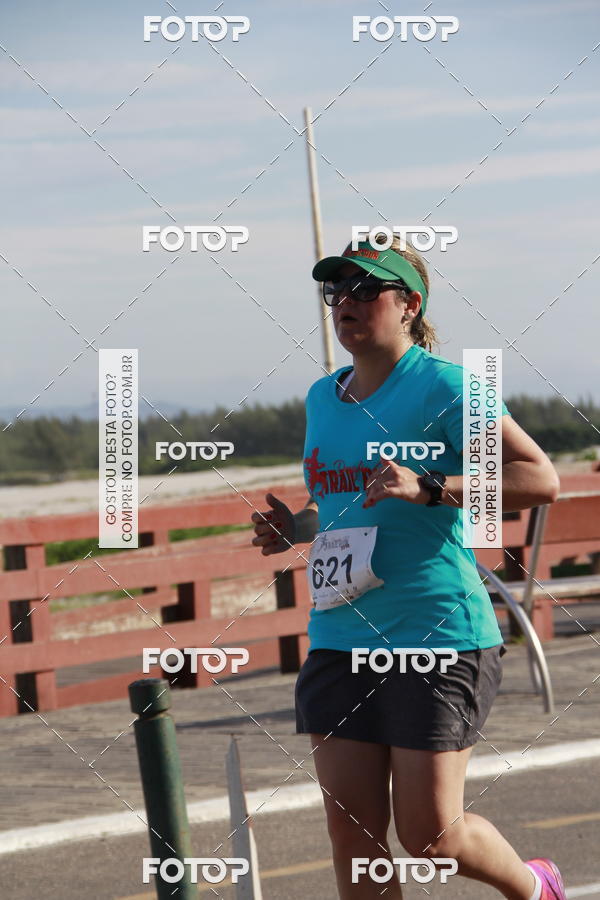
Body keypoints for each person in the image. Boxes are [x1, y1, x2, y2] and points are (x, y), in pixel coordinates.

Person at [250, 233, 564, 899]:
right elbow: (343, 504)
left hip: (435, 633)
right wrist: (296, 527)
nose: (347, 303)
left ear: (409, 304)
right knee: (355, 839)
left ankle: (536, 888)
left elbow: (540, 478)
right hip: (341, 637)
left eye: (367, 289)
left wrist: (432, 486)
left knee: (430, 835)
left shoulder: (445, 389)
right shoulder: (321, 398)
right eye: (337, 290)